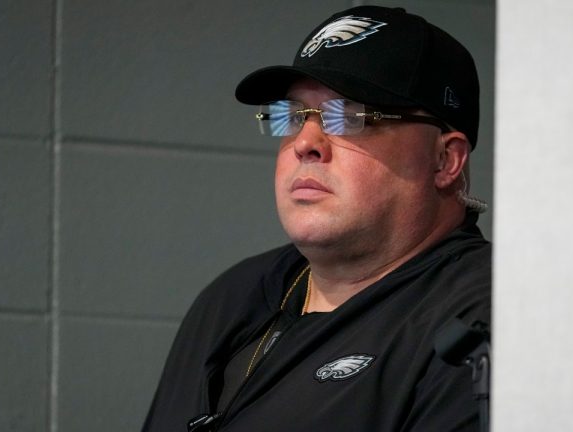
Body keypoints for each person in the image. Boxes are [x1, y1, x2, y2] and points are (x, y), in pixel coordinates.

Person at [143, 5, 490, 432]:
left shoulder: (485, 316)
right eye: (292, 116)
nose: (305, 142)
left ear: (444, 159)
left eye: (350, 116)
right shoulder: (231, 297)